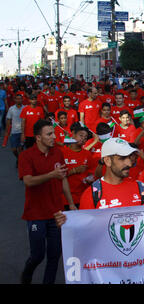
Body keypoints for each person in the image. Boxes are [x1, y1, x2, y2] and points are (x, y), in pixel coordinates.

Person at [54, 137, 144, 220]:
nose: (129, 163)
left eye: (129, 158)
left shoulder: (140, 188)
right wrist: (68, 223)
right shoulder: (91, 195)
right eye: (122, 158)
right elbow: (84, 234)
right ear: (107, 161)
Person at [18, 119, 76, 284]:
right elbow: (28, 181)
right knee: (37, 255)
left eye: (54, 133)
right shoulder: (26, 156)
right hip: (35, 214)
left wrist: (70, 203)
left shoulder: (57, 153)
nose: (53, 137)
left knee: (54, 255)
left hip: (57, 212)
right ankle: (27, 273)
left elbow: (63, 178)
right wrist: (52, 175)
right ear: (38, 137)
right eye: (49, 134)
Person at [60, 125, 96, 210]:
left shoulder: (87, 154)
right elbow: (55, 175)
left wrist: (90, 179)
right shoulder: (61, 152)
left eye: (85, 137)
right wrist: (74, 170)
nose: (83, 139)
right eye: (81, 135)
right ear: (73, 135)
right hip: (64, 198)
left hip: (82, 197)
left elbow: (93, 173)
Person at [5, 91, 25, 167]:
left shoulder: (25, 108)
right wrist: (7, 132)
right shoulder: (11, 109)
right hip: (13, 132)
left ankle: (20, 161)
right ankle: (19, 158)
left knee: (20, 148)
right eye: (17, 99)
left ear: (22, 99)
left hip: (22, 132)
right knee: (14, 149)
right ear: (15, 100)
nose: (19, 100)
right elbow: (8, 120)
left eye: (20, 99)